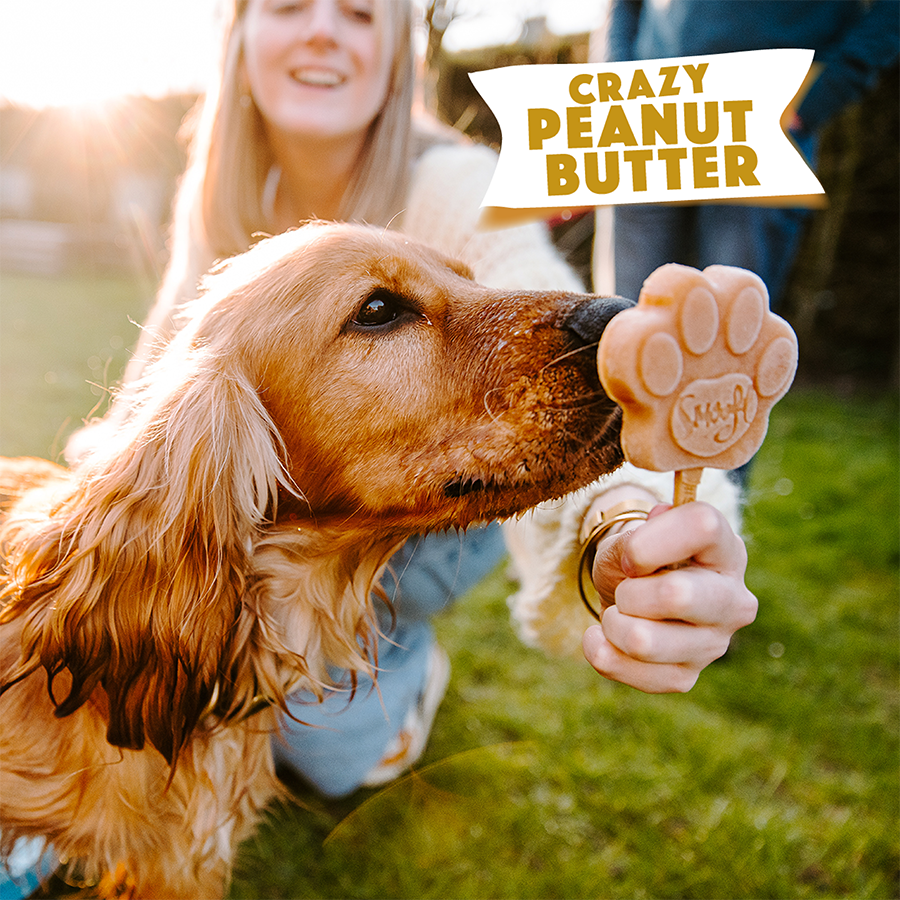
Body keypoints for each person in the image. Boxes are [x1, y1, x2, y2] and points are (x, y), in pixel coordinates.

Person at [62, 0, 755, 806]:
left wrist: (631, 528)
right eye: (290, 6)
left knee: (319, 752)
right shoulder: (221, 201)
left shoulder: (452, 183)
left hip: (431, 538)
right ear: (239, 39)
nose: (324, 29)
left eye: (360, 14)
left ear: (395, 54)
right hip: (289, 516)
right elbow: (152, 405)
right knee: (153, 670)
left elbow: (588, 338)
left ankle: (402, 663)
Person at [602, 0, 900, 309]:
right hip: (648, 117)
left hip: (765, 128)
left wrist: (820, 93)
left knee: (731, 329)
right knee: (622, 321)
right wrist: (618, 85)